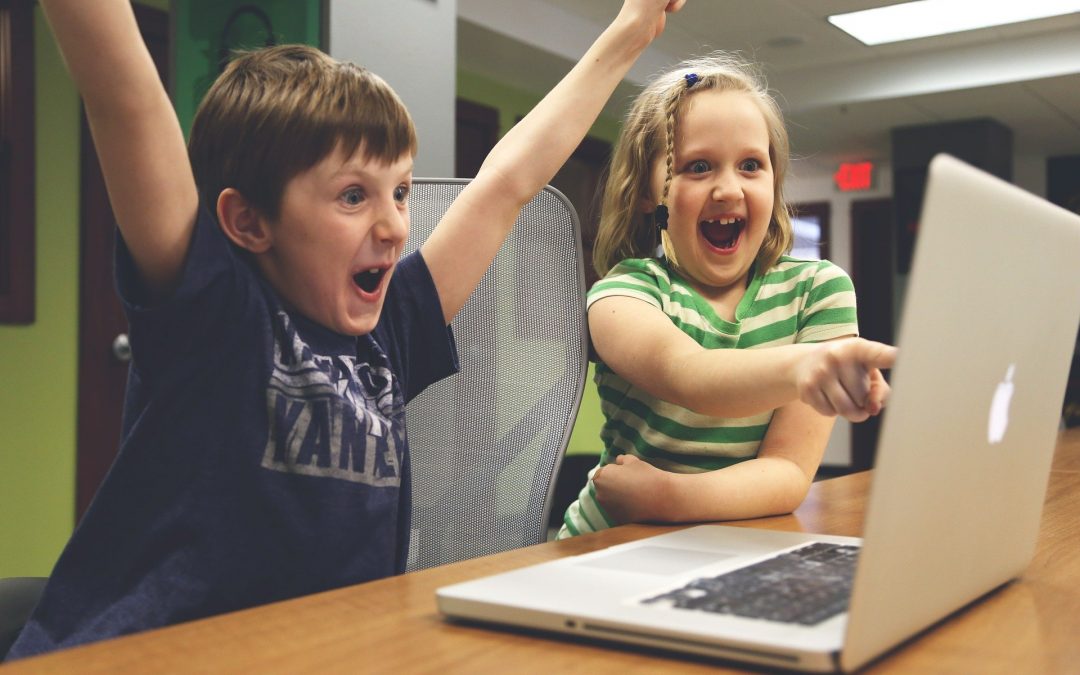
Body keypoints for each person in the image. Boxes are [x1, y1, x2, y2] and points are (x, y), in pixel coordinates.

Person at [9, 0, 687, 659]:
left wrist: (631, 30)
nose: (395, 224)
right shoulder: (212, 308)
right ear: (249, 222)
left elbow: (506, 183)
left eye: (399, 190)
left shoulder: (390, 328)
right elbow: (122, 95)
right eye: (353, 195)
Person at [558, 52, 897, 539]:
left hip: (728, 543)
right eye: (698, 166)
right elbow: (692, 376)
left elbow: (788, 472)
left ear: (774, 181)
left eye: (751, 166)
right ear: (647, 192)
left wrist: (669, 498)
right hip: (609, 543)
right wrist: (806, 366)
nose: (728, 188)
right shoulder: (622, 295)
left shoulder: (818, 291)